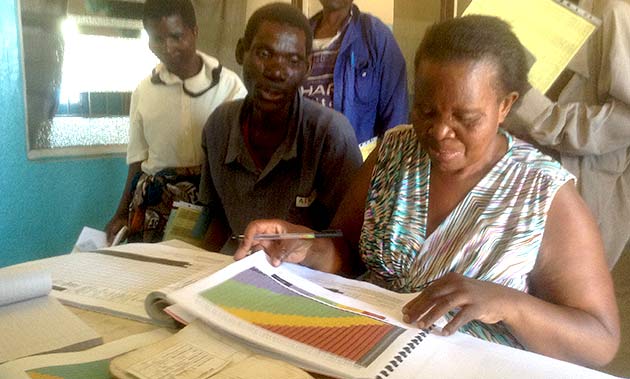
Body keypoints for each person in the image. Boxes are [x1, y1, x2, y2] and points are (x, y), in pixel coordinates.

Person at [235, 15, 620, 368]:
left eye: (465, 118)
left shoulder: (542, 193)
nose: (439, 133)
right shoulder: (395, 152)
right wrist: (307, 245)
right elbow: (347, 250)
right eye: (425, 110)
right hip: (358, 355)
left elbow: (600, 340)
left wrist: (509, 304)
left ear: (505, 106)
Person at [199, 3, 362, 253]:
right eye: (264, 54)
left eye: (293, 60)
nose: (276, 71)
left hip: (308, 279)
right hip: (237, 268)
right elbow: (217, 218)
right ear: (242, 51)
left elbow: (348, 243)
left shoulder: (330, 135)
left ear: (307, 68)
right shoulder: (218, 127)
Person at [105, 0, 246, 244]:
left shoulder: (229, 86)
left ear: (195, 32)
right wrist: (119, 214)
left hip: (210, 204)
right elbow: (137, 161)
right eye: (157, 39)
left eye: (176, 36)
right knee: (148, 278)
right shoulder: (144, 90)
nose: (167, 47)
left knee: (200, 278)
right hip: (153, 205)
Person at [504, 0, 630, 268]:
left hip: (587, 179)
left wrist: (541, 115)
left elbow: (623, 121)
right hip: (520, 163)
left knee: (568, 287)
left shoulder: (615, 12)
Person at [301, 0, 408, 156]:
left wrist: (385, 173)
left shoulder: (376, 36)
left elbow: (396, 124)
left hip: (355, 170)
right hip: (301, 166)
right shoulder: (300, 36)